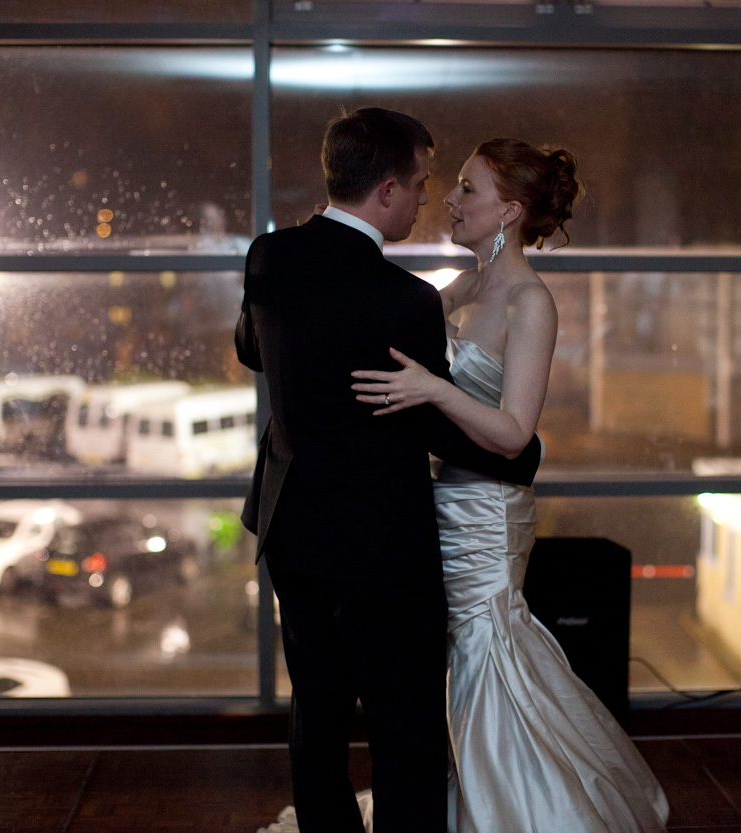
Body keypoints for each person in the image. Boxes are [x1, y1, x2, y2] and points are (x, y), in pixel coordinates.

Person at [350, 138, 670, 832]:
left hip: (489, 513)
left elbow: (515, 432)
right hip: (441, 502)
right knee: (456, 665)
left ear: (511, 210)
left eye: (468, 188)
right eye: (456, 186)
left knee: (485, 658)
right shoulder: (463, 287)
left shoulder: (531, 303)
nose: (451, 200)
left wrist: (431, 387)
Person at [236, 110, 543, 833]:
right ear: (385, 189)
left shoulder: (268, 258)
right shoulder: (400, 299)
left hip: (292, 527)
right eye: (421, 182)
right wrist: (523, 452)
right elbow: (434, 423)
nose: (428, 196)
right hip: (381, 547)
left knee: (316, 716)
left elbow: (253, 346)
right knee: (403, 730)